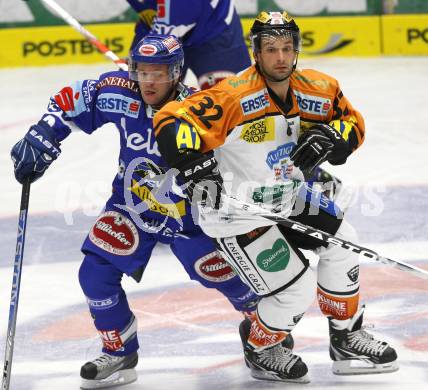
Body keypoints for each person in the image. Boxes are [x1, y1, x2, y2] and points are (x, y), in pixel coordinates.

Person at [154, 11, 399, 383]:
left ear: (297, 49)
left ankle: (346, 336)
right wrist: (192, 163)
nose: (281, 57)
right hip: (237, 211)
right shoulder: (234, 94)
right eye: (271, 49)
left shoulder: (319, 88)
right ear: (255, 52)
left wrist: (335, 139)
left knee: (345, 241)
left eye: (287, 48)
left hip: (289, 197)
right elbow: (175, 120)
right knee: (295, 291)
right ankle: (261, 347)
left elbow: (351, 121)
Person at [10, 34, 263, 389]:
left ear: (176, 73)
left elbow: (248, 150)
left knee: (222, 275)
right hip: (133, 204)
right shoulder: (119, 92)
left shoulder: (202, 108)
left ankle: (265, 330)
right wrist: (42, 136)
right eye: (142, 72)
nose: (148, 81)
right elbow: (67, 102)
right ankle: (119, 351)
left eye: (158, 73)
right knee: (95, 273)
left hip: (190, 217)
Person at [126, 0, 251, 90]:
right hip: (164, 27)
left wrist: (139, 59)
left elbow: (168, 30)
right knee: (140, 98)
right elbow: (152, 13)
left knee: (233, 98)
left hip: (214, 30)